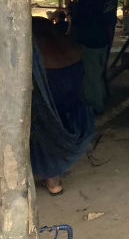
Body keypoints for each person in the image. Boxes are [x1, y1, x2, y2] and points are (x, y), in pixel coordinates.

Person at [31, 17, 95, 195]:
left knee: (44, 122)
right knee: (63, 114)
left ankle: (52, 178)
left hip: (51, 73)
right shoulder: (43, 24)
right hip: (74, 66)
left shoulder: (22, 29)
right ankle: (54, 177)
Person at [68, 0, 118, 115]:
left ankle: (97, 110)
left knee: (91, 78)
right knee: (98, 73)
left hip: (90, 42)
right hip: (105, 39)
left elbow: (78, 22)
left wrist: (70, 14)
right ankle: (102, 99)